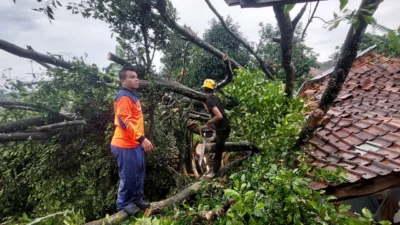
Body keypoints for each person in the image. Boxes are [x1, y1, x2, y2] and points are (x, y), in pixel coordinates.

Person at [110, 66, 154, 215]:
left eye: (137, 76)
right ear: (123, 81)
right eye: (132, 77)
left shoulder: (132, 95)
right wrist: (142, 138)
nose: (136, 79)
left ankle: (137, 199)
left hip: (134, 143)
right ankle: (123, 204)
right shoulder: (123, 97)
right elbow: (124, 122)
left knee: (139, 172)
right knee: (128, 175)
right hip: (124, 144)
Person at [203, 55, 231, 178]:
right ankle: (214, 167)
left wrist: (210, 122)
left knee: (219, 150)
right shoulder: (213, 97)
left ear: (204, 88)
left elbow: (218, 115)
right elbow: (213, 109)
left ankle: (215, 172)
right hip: (225, 126)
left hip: (223, 128)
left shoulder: (210, 100)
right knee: (218, 147)